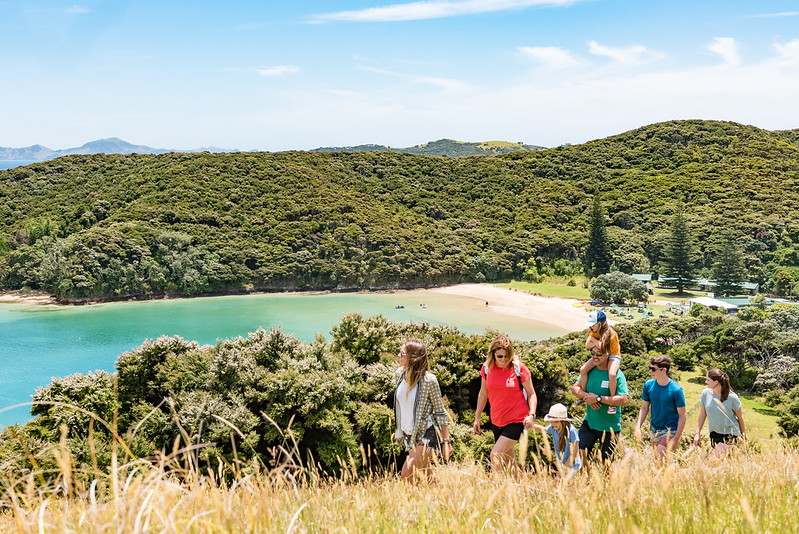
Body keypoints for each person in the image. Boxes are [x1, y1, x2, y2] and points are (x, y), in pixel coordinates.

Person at [473, 335, 538, 475]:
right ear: (493, 354)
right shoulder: (486, 368)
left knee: (495, 455)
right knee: (510, 462)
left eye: (507, 356)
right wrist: (477, 418)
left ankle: (499, 488)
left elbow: (532, 394)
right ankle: (519, 492)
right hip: (496, 421)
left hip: (517, 420)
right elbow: (483, 393)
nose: (503, 360)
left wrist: (532, 415)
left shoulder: (519, 369)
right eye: (500, 356)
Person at [393, 339, 452, 482]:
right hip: (409, 435)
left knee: (406, 474)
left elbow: (440, 411)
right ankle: (444, 495)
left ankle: (409, 504)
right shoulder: (399, 375)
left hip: (426, 433)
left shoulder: (429, 380)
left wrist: (446, 441)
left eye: (403, 353)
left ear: (413, 357)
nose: (399, 356)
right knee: (427, 475)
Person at [571, 347, 629, 464]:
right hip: (590, 423)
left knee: (607, 463)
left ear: (608, 354)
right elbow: (575, 388)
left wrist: (598, 398)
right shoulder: (588, 371)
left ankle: (606, 482)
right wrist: (587, 397)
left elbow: (623, 400)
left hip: (610, 427)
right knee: (580, 455)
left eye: (599, 354)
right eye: (593, 353)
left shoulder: (617, 374)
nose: (595, 356)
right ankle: (587, 480)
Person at [634, 355, 686, 460]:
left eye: (653, 369)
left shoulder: (676, 390)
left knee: (657, 460)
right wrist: (638, 427)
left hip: (670, 431)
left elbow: (682, 415)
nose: (650, 371)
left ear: (664, 370)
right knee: (662, 465)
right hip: (654, 430)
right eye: (650, 368)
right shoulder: (648, 385)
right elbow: (644, 408)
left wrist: (676, 438)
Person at [693, 368, 747, 457]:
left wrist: (743, 434)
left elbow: (740, 417)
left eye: (708, 380)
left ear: (716, 382)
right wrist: (697, 433)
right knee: (719, 465)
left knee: (712, 460)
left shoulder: (732, 397)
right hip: (714, 434)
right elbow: (702, 414)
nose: (706, 382)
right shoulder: (706, 393)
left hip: (730, 434)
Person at [577, 310, 621, 415]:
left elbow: (604, 349)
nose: (591, 327)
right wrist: (597, 343)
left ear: (600, 323)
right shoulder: (593, 331)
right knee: (583, 370)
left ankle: (612, 403)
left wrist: (594, 341)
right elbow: (587, 345)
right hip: (600, 355)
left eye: (593, 325)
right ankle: (583, 395)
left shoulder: (611, 333)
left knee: (612, 374)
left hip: (613, 355)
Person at [532, 403, 581, 476]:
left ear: (563, 421)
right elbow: (544, 429)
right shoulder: (554, 428)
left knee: (563, 484)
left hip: (572, 465)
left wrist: (565, 467)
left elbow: (575, 452)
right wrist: (531, 425)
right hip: (563, 464)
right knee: (561, 485)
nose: (553, 424)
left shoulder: (571, 431)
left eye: (556, 421)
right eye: (551, 421)